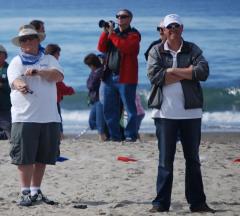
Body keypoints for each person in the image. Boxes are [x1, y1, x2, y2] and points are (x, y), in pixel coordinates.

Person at [147, 14, 215, 213]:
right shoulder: (156, 51)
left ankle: (198, 203)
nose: (173, 29)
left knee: (193, 160)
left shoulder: (192, 48)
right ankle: (160, 204)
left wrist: (171, 72)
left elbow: (203, 72)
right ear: (164, 30)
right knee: (165, 161)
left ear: (182, 28)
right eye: (170, 27)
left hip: (191, 114)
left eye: (176, 26)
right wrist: (186, 72)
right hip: (165, 114)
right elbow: (155, 77)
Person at [7, 25, 64, 206]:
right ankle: (24, 192)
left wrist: (39, 71)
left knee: (42, 157)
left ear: (38, 40)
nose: (28, 42)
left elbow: (58, 76)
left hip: (49, 116)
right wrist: (20, 85)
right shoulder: (17, 61)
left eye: (31, 38)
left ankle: (35, 191)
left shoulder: (48, 59)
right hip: (25, 117)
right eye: (24, 40)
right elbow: (14, 79)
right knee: (24, 157)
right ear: (20, 44)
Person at [97, 9, 141, 142]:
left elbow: (125, 47)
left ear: (130, 19)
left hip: (126, 77)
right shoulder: (112, 34)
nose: (120, 19)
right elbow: (101, 48)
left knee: (129, 109)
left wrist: (112, 35)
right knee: (109, 108)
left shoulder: (134, 34)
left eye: (123, 16)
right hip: (109, 76)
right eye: (118, 16)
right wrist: (105, 33)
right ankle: (115, 136)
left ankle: (130, 135)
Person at [45, 44, 75, 139]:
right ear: (53, 55)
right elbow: (59, 85)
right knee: (57, 120)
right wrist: (70, 90)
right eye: (58, 54)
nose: (59, 56)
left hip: (45, 99)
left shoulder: (43, 64)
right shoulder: (52, 66)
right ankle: (60, 136)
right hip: (53, 100)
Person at [84, 53, 108, 141]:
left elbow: (91, 85)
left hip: (100, 98)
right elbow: (89, 84)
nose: (89, 67)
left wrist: (89, 84)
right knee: (92, 121)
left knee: (99, 121)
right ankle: (103, 133)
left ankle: (102, 136)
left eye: (89, 65)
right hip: (94, 98)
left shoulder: (100, 71)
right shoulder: (94, 71)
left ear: (92, 64)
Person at [0, 44, 11, 140]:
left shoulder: (10, 69)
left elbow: (14, 87)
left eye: (0, 54)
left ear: (5, 56)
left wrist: (2, 85)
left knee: (8, 129)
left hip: (5, 105)